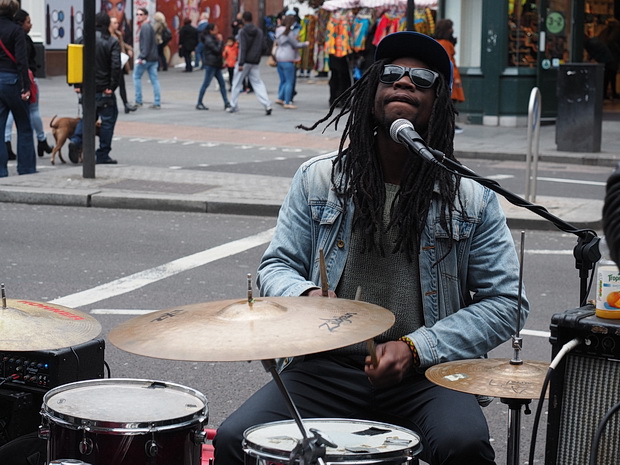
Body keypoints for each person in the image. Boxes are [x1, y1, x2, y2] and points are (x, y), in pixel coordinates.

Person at [213, 31, 528, 465]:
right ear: (371, 91)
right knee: (235, 438)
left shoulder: (471, 196)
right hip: (324, 369)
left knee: (465, 446)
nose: (404, 83)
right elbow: (278, 265)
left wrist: (418, 348)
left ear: (440, 102)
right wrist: (304, 297)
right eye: (392, 74)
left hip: (428, 376)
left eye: (422, 78)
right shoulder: (319, 179)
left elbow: (506, 303)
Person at [68, 11, 120, 165]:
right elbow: (115, 66)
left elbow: (74, 62)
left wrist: (77, 84)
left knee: (88, 117)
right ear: (107, 25)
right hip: (104, 89)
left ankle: (76, 140)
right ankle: (103, 153)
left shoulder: (81, 40)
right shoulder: (111, 42)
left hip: (86, 88)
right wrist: (112, 86)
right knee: (107, 121)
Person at [4, 9, 53, 159]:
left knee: (8, 113)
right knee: (32, 112)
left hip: (7, 77)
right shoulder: (22, 37)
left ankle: (6, 142)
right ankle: (41, 140)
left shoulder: (6, 34)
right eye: (28, 22)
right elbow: (24, 61)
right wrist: (26, 84)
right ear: (20, 23)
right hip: (25, 78)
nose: (30, 25)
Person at [0, 0, 36, 177]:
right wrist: (26, 88)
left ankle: (1, 171)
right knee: (24, 126)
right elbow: (22, 61)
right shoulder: (16, 31)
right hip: (13, 80)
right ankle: (26, 169)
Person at [227, 11, 272, 115]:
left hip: (244, 61)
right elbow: (264, 47)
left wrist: (241, 63)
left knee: (236, 83)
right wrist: (258, 55)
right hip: (255, 61)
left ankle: (233, 105)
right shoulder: (259, 31)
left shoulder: (242, 31)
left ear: (243, 19)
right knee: (257, 83)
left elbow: (243, 48)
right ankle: (267, 104)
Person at [433, 19, 465, 134]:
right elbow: (449, 61)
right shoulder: (445, 44)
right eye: (450, 27)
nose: (452, 30)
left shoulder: (438, 42)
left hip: (446, 76)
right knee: (449, 102)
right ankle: (449, 124)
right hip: (450, 76)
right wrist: (455, 78)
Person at [274, 13, 309, 109]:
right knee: (289, 81)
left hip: (279, 57)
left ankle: (280, 97)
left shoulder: (278, 31)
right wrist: (306, 44)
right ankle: (287, 101)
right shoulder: (288, 32)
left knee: (283, 80)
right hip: (288, 58)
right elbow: (296, 44)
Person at [196, 23, 231, 111]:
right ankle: (199, 102)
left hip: (215, 64)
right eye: (215, 29)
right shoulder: (209, 40)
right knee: (206, 83)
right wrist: (220, 41)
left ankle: (226, 102)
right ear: (211, 30)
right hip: (211, 64)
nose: (217, 30)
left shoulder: (211, 38)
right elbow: (217, 50)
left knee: (222, 83)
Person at [133, 8, 161, 109]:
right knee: (154, 80)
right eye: (137, 14)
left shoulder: (145, 27)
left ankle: (138, 100)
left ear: (146, 15)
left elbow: (145, 44)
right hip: (153, 58)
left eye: (140, 14)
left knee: (136, 77)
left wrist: (141, 57)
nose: (138, 16)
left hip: (146, 58)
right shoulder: (149, 26)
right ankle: (157, 102)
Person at [110, 15, 136, 114]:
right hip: (111, 64)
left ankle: (126, 104)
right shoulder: (108, 36)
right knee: (112, 85)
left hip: (119, 63)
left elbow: (122, 44)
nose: (117, 25)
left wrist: (129, 48)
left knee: (122, 84)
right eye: (114, 23)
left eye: (117, 23)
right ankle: (110, 104)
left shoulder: (118, 34)